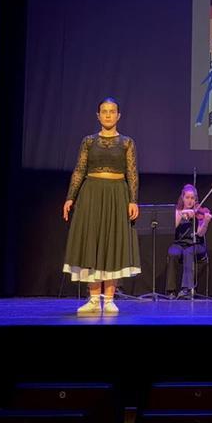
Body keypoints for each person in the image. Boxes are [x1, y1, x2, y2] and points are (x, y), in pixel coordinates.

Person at [62, 98, 141, 315]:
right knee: (92, 242)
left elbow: (132, 173)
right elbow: (79, 169)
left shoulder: (127, 142)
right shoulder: (88, 141)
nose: (108, 115)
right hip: (91, 193)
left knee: (112, 242)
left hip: (117, 194)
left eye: (112, 111)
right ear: (98, 116)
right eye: (104, 111)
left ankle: (109, 299)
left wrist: (133, 200)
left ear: (118, 115)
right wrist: (71, 197)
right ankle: (94, 299)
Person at [166, 184, 212, 298]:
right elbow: (173, 226)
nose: (189, 201)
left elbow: (200, 233)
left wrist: (206, 222)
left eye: (192, 198)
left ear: (195, 199)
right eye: (187, 197)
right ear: (182, 198)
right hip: (179, 244)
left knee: (188, 252)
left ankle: (186, 289)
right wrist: (183, 214)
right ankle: (171, 290)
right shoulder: (178, 211)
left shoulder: (199, 212)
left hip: (196, 245)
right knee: (172, 253)